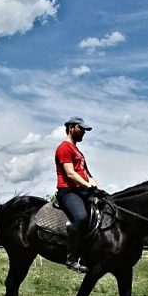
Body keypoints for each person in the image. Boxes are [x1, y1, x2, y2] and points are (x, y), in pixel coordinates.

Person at [55, 116, 100, 274]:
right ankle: (71, 258)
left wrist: (99, 189)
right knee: (81, 217)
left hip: (82, 190)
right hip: (68, 191)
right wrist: (88, 185)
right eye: (82, 129)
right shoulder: (64, 148)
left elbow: (87, 174)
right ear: (72, 127)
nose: (83, 133)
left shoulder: (78, 152)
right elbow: (70, 174)